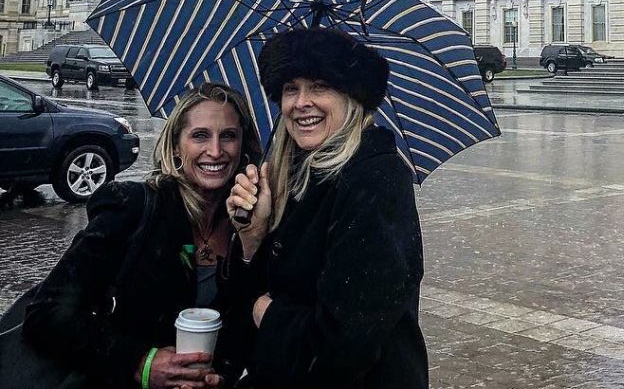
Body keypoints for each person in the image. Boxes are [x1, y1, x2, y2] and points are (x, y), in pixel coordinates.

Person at [23, 83, 262, 389]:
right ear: (176, 145)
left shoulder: (250, 222)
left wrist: (220, 374)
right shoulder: (133, 206)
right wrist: (139, 362)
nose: (215, 151)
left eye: (228, 136)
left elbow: (242, 326)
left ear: (243, 145)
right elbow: (46, 313)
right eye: (200, 135)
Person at [226, 27, 428, 388]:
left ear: (352, 96)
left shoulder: (375, 179)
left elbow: (345, 343)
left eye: (320, 86)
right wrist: (251, 237)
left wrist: (267, 314)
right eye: (291, 88)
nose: (301, 102)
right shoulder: (294, 171)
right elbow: (250, 296)